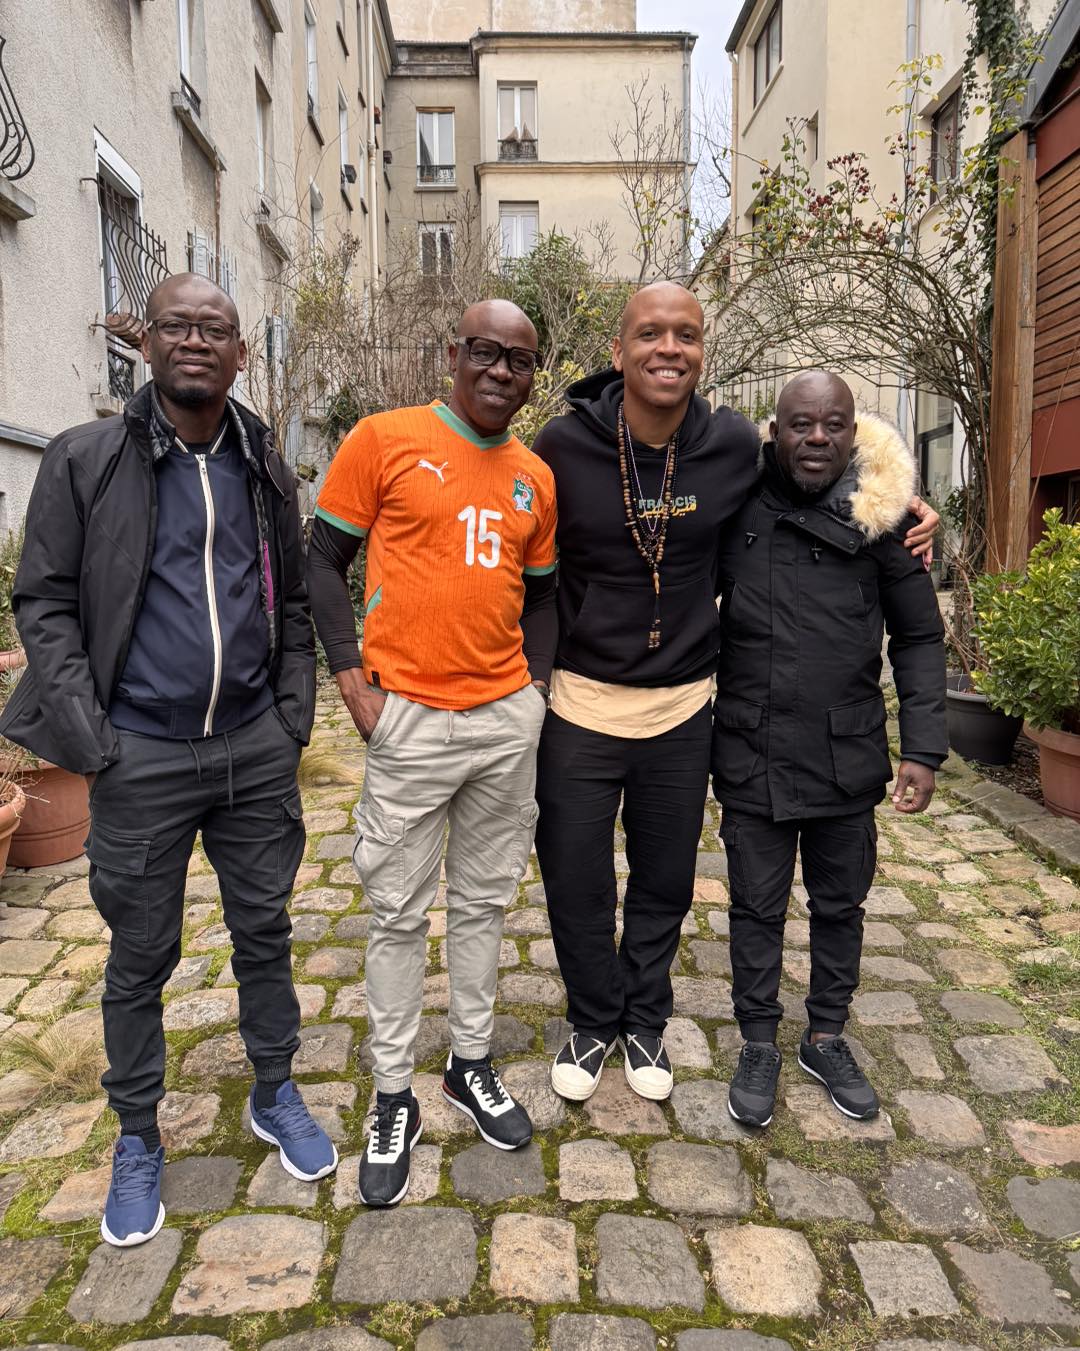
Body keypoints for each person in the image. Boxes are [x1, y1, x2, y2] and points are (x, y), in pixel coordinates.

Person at [532, 283, 938, 1106]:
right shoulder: (562, 445)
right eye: (650, 333)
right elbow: (516, 537)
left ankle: (646, 1019)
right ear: (619, 350)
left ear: (703, 351)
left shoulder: (725, 446)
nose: (668, 348)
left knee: (666, 881)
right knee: (576, 878)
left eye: (686, 334)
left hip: (683, 710)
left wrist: (899, 501)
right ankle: (594, 1016)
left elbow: (826, 457)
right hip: (581, 702)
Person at [0, 274, 335, 1247]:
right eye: (177, 324)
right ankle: (139, 1134)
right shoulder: (85, 458)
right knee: (141, 951)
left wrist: (291, 715)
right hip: (139, 752)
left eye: (215, 328)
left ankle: (275, 1088)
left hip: (253, 747)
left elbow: (294, 597)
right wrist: (91, 738)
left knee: (264, 929)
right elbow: (44, 602)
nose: (196, 339)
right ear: (144, 343)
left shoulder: (262, 462)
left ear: (240, 354)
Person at [306, 299, 558, 1207]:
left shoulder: (534, 476)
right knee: (397, 911)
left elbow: (545, 596)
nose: (501, 371)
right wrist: (351, 681)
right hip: (406, 717)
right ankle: (391, 1094)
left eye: (520, 360)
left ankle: (469, 1063)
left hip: (503, 723)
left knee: (485, 903)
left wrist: (537, 692)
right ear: (455, 353)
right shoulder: (384, 438)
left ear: (532, 376)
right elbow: (321, 560)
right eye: (486, 351)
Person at [716, 371, 947, 1127]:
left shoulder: (884, 518)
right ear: (775, 431)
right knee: (754, 905)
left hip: (846, 753)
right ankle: (758, 1040)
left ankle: (825, 1035)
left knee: (840, 903)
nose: (817, 438)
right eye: (801, 424)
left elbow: (918, 636)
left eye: (833, 424)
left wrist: (924, 748)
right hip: (751, 746)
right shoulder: (735, 503)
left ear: (854, 432)